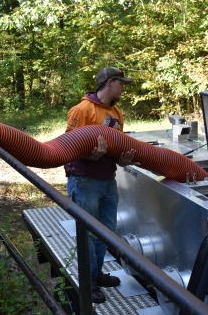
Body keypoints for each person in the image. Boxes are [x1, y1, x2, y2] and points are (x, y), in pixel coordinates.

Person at [64, 67, 140, 303]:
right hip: (85, 181)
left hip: (108, 181)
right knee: (88, 234)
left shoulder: (117, 112)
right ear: (110, 82)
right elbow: (68, 146)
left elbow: (116, 149)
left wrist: (122, 159)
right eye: (121, 84)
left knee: (105, 233)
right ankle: (88, 283)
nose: (123, 88)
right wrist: (92, 156)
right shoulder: (82, 110)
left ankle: (97, 275)